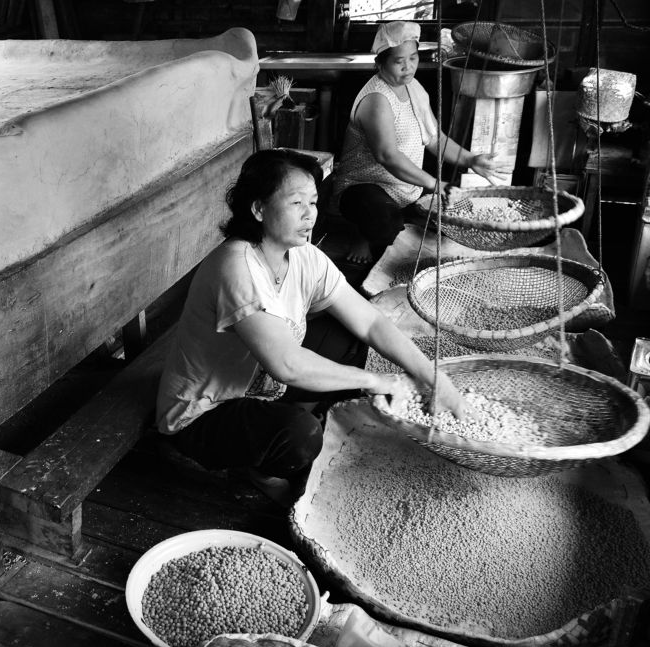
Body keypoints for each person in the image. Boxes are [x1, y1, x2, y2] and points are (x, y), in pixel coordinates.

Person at [155, 149, 475, 507]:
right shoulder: (236, 267)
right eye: (296, 203)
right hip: (204, 412)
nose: (310, 214)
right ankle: (259, 471)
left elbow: (370, 322)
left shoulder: (302, 254)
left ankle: (295, 418)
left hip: (260, 388)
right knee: (298, 435)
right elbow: (287, 365)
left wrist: (434, 378)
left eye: (313, 202)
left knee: (350, 337)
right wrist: (375, 381)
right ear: (259, 209)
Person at [333, 20, 506, 266]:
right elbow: (388, 156)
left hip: (406, 188)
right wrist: (434, 184)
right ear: (380, 63)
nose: (408, 67)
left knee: (453, 219)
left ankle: (400, 220)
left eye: (413, 58)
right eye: (399, 61)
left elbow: (435, 138)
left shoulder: (413, 87)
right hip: (364, 187)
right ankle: (361, 233)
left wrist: (471, 159)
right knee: (384, 223)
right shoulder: (377, 99)